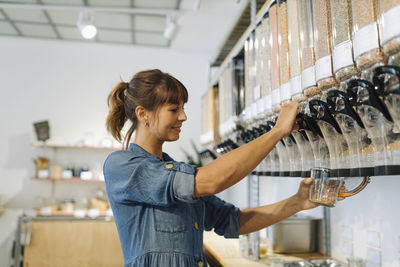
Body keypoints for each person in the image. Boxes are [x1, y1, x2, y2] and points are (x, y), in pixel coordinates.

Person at [104, 69, 318, 267]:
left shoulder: (176, 173)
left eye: (183, 109)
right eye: (173, 109)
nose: (183, 117)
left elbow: (234, 221)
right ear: (143, 114)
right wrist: (276, 132)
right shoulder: (123, 166)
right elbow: (210, 181)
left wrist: (297, 202)